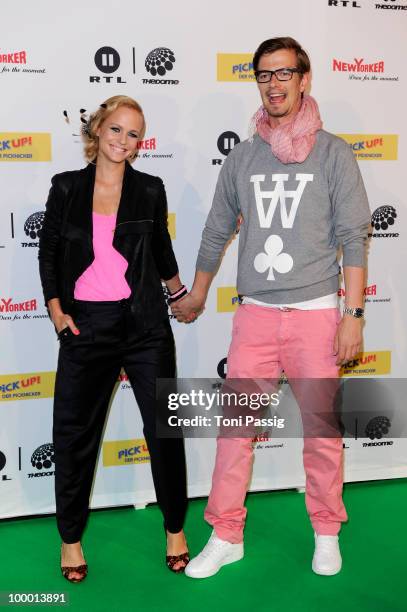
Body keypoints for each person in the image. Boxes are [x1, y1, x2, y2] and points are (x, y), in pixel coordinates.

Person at [172, 37, 370, 578]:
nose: (274, 83)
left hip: (316, 313)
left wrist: (352, 315)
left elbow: (354, 237)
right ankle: (225, 533)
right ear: (257, 81)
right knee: (236, 432)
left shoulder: (333, 152)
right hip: (256, 313)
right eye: (264, 74)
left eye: (284, 73)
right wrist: (196, 291)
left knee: (322, 433)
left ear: (304, 79)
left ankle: (326, 531)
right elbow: (216, 231)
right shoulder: (243, 155)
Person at [38, 95, 190, 582]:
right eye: (117, 129)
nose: (124, 140)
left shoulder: (150, 188)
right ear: (98, 129)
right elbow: (50, 251)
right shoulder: (66, 188)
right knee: (75, 437)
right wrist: (57, 311)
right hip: (87, 327)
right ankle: (71, 539)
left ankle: (174, 529)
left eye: (134, 134)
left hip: (145, 325)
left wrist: (180, 293)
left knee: (164, 432)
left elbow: (161, 247)